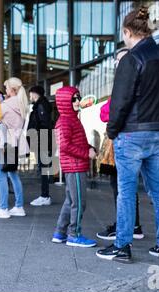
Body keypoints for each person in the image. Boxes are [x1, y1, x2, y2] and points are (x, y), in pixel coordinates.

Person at [96, 7, 159, 263]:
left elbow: (120, 102)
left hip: (131, 135)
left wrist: (111, 131)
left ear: (127, 32)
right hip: (158, 134)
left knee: (127, 192)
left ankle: (122, 246)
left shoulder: (132, 59)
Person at [96, 48, 144, 241]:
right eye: (116, 61)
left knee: (121, 187)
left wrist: (112, 119)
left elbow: (108, 112)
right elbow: (105, 111)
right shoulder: (131, 79)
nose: (117, 64)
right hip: (130, 138)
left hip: (124, 139)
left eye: (120, 59)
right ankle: (135, 225)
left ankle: (125, 228)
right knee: (128, 186)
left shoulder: (128, 81)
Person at [51, 86, 97, 247]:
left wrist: (90, 147)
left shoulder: (71, 120)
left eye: (78, 98)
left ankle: (60, 232)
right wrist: (87, 154)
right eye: (74, 99)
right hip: (75, 167)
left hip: (75, 166)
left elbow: (77, 142)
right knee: (79, 203)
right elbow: (65, 146)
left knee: (70, 200)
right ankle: (74, 235)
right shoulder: (65, 121)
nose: (78, 101)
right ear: (64, 102)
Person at [0, 78, 29, 219]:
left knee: (1, 176)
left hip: (2, 143)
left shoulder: (5, 105)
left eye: (6, 88)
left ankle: (3, 208)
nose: (5, 90)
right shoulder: (22, 103)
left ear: (12, 90)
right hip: (15, 142)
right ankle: (19, 206)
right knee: (13, 174)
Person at [27, 86, 54, 207]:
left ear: (35, 93)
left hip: (41, 141)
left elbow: (44, 125)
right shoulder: (40, 105)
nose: (29, 96)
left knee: (43, 168)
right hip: (41, 140)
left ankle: (45, 196)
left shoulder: (41, 106)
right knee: (43, 168)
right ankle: (44, 195)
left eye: (30, 93)